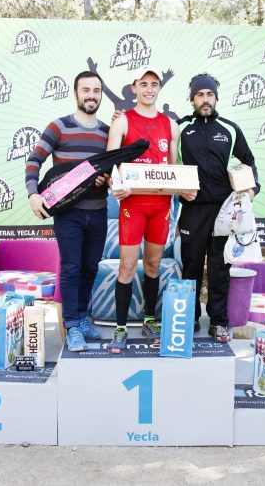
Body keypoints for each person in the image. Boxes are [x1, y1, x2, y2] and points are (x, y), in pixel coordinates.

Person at [105, 66, 193, 354]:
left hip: (160, 207)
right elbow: (110, 163)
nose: (149, 89)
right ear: (134, 88)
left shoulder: (171, 125)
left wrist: (184, 187)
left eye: (154, 84)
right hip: (133, 206)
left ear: (159, 88)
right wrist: (115, 184)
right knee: (127, 266)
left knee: (154, 265)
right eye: (143, 84)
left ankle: (150, 320)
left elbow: (174, 169)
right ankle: (120, 329)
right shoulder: (123, 121)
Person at [25, 70, 109, 352]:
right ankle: (71, 326)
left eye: (96, 91)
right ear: (76, 94)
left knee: (90, 268)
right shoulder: (59, 127)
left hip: (98, 211)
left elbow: (113, 171)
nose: (91, 96)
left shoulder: (108, 133)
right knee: (71, 268)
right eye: (86, 90)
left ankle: (83, 318)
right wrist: (33, 193)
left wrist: (107, 179)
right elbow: (34, 160)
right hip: (68, 214)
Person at [177, 73, 259, 343]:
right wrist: (178, 189)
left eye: (209, 95)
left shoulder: (229, 129)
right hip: (193, 209)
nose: (205, 100)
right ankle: (188, 317)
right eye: (199, 95)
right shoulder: (180, 128)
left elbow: (248, 161)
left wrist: (252, 189)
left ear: (216, 98)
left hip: (225, 210)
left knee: (219, 267)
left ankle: (218, 321)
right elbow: (167, 164)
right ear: (192, 99)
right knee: (190, 266)